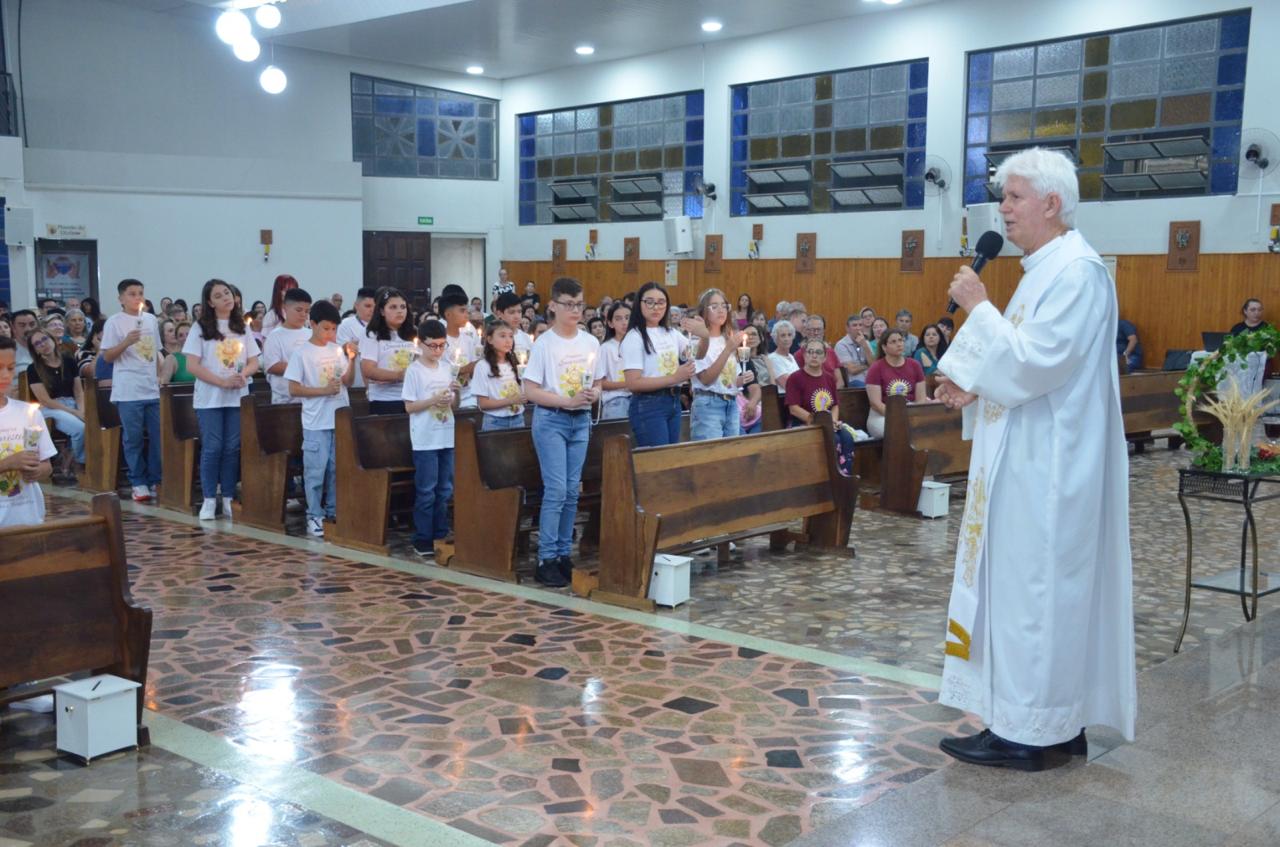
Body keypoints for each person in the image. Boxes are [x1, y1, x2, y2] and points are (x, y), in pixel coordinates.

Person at [932, 146, 1135, 771]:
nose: (1003, 208)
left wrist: (977, 305)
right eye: (1004, 197)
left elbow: (1036, 362)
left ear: (1051, 203)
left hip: (1048, 469)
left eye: (1014, 197)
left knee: (1035, 596)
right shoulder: (1045, 267)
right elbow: (1026, 358)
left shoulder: (1077, 272)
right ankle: (1048, 723)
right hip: (1026, 459)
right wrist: (973, 384)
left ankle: (1030, 734)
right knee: (1027, 594)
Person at [522, 277, 600, 587]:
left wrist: (594, 393)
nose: (575, 310)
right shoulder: (544, 343)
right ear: (553, 306)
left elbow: (597, 382)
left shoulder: (590, 342)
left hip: (580, 420)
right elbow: (530, 390)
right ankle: (546, 558)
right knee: (555, 490)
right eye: (569, 304)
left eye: (579, 304)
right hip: (552, 420)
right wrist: (566, 401)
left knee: (571, 491)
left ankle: (563, 554)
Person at [183, 279, 261, 521]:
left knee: (232, 448)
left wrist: (243, 375)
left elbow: (254, 361)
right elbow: (192, 365)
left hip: (236, 396)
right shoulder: (200, 327)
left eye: (227, 293)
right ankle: (209, 499)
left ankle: (227, 497)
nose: (226, 297)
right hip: (210, 398)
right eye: (218, 296)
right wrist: (221, 382)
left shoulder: (242, 327)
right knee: (213, 447)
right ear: (210, 302)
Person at [285, 299, 356, 538]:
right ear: (313, 324)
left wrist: (352, 359)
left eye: (334, 329)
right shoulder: (301, 354)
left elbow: (347, 381)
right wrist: (323, 391)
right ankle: (314, 514)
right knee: (316, 471)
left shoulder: (336, 350)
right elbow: (293, 389)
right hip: (316, 421)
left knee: (337, 469)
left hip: (339, 418)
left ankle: (333, 512)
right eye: (326, 328)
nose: (330, 333)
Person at [101, 279, 164, 502]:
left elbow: (156, 351)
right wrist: (126, 342)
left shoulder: (150, 320)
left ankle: (156, 479)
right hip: (128, 390)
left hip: (151, 388)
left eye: (140, 293)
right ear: (121, 298)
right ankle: (138, 481)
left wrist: (159, 376)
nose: (137, 297)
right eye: (132, 294)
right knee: (133, 438)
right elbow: (107, 356)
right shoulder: (114, 322)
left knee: (158, 436)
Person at [402, 318, 461, 557]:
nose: (438, 350)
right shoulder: (414, 371)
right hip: (425, 438)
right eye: (433, 346)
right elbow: (409, 407)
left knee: (445, 489)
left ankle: (440, 533)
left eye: (442, 345)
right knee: (427, 490)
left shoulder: (447, 367)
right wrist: (434, 400)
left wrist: (455, 394)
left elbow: (453, 405)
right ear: (421, 344)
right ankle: (423, 538)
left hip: (446, 434)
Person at [622, 282, 695, 446]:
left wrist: (704, 334)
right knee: (657, 458)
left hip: (673, 400)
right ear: (639, 304)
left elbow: (696, 354)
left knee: (670, 456)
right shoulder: (634, 337)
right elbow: (633, 383)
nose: (656, 307)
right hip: (649, 404)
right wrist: (675, 378)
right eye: (650, 302)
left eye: (661, 302)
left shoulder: (671, 332)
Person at [0, 336, 57, 527]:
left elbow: (47, 466)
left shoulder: (28, 413)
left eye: (10, 368)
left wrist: (38, 471)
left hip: (28, 519)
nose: (5, 375)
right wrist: (8, 463)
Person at [784, 338, 856, 475]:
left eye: (818, 352)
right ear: (804, 355)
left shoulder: (829, 378)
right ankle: (828, 477)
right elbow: (794, 408)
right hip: (803, 423)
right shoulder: (795, 378)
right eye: (810, 352)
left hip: (827, 423)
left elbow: (834, 405)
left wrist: (832, 421)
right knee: (833, 439)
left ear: (825, 357)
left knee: (846, 437)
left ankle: (845, 476)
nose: (814, 355)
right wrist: (818, 421)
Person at [25, 326, 85, 476]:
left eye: (44, 339)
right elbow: (45, 400)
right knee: (80, 428)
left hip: (72, 404)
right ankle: (79, 462)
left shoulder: (68, 361)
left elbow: (78, 391)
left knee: (95, 424)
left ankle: (68, 458)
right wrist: (75, 412)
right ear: (34, 350)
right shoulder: (33, 369)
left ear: (52, 339)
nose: (43, 344)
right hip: (50, 409)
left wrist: (82, 410)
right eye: (37, 343)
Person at [690, 288, 748, 441]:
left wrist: (743, 379)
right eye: (714, 306)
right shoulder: (697, 341)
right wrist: (728, 349)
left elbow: (729, 381)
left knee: (732, 452)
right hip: (708, 403)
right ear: (704, 311)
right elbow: (706, 379)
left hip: (731, 402)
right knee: (711, 452)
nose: (721, 310)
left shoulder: (726, 338)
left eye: (724, 306)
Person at [360, 287, 417, 415]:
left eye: (403, 307)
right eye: (393, 307)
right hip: (384, 400)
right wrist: (399, 375)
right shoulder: (372, 334)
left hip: (412, 398)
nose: (399, 311)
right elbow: (368, 370)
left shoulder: (414, 333)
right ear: (382, 311)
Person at [864, 328, 929, 438]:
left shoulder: (915, 365)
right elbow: (875, 403)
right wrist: (898, 417)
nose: (899, 344)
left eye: (900, 340)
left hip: (910, 411)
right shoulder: (876, 368)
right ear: (884, 347)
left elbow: (921, 399)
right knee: (898, 429)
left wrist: (913, 416)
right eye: (893, 342)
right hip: (882, 414)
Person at [262, 288, 314, 405]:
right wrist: (304, 366)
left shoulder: (311, 334)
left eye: (307, 311)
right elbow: (272, 366)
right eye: (299, 310)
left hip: (310, 399)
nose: (303, 315)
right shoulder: (275, 336)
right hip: (284, 401)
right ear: (285, 308)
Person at [472, 322, 525, 431]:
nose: (508, 340)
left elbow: (523, 391)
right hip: (495, 421)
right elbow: (483, 403)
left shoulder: (516, 363)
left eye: (511, 336)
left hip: (518, 418)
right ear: (490, 339)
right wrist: (511, 400)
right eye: (502, 336)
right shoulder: (482, 366)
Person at [439, 290, 481, 410]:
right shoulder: (439, 341)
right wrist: (465, 369)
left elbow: (474, 367)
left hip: (469, 396)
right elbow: (440, 370)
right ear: (448, 314)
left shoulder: (468, 339)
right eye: (462, 311)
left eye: (467, 311)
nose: (467, 315)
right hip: (445, 396)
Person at [594, 301, 632, 420]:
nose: (624, 322)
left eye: (627, 318)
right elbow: (601, 383)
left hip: (639, 399)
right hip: (616, 401)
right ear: (610, 323)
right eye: (618, 319)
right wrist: (630, 384)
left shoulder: (639, 344)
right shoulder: (606, 348)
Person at [336, 287, 376, 389]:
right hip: (355, 384)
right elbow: (341, 349)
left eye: (375, 307)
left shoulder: (381, 326)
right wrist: (349, 347)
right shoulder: (346, 324)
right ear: (356, 305)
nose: (372, 310)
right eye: (367, 306)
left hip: (378, 385)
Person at [794, 315, 845, 388]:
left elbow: (840, 381)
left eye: (819, 330)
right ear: (806, 331)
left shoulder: (830, 352)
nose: (816, 333)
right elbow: (800, 381)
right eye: (813, 330)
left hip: (832, 391)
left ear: (823, 332)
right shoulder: (799, 354)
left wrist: (831, 392)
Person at [738, 326, 765, 434]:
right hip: (733, 413)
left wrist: (753, 403)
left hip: (750, 410)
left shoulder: (744, 359)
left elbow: (755, 388)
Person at [835, 314, 873, 388]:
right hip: (854, 381)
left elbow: (873, 365)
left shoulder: (866, 342)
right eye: (854, 325)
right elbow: (852, 370)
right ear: (848, 328)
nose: (858, 328)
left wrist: (865, 346)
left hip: (870, 379)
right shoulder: (841, 345)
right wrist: (867, 365)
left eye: (860, 325)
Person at [493, 291, 534, 357]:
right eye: (512, 312)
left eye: (519, 312)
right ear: (499, 314)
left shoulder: (526, 338)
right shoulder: (493, 338)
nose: (517, 316)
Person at [765, 320, 801, 392]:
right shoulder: (773, 358)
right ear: (776, 338)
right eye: (783, 335)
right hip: (784, 397)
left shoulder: (791, 356)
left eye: (789, 335)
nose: (787, 339)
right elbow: (788, 384)